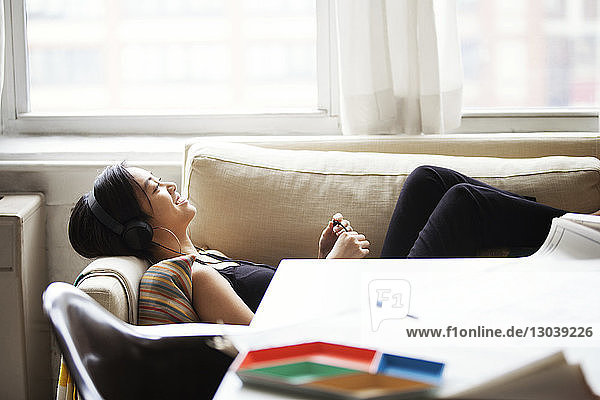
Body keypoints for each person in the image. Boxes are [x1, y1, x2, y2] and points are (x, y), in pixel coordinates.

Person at [69, 163, 595, 325]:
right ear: (143, 228)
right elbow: (273, 352)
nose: (169, 184)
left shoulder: (206, 257)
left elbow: (280, 301)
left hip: (362, 302)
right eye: (154, 190)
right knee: (459, 204)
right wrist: (331, 272)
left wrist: (326, 263)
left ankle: (572, 226)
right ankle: (585, 229)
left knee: (427, 182)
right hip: (377, 325)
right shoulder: (198, 278)